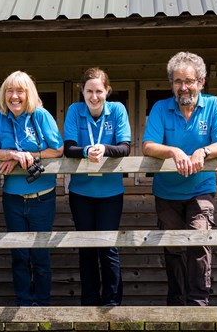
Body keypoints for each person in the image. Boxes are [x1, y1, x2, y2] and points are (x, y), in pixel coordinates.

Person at [142, 52, 217, 306]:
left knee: (199, 242)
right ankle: (177, 304)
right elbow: (148, 145)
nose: (184, 87)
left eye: (189, 81)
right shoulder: (161, 108)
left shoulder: (214, 105)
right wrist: (173, 151)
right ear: (172, 84)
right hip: (167, 191)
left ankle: (198, 304)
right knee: (173, 247)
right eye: (178, 81)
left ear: (201, 82)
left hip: (200, 189)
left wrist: (203, 151)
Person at [0, 71, 64, 306]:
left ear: (29, 93)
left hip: (42, 197)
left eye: (20, 91)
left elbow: (57, 150)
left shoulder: (40, 115)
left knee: (40, 254)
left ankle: (42, 304)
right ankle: (23, 302)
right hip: (13, 199)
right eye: (9, 91)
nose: (14, 96)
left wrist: (29, 156)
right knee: (19, 254)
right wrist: (11, 154)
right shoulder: (2, 117)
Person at [63, 68, 131, 306]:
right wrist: (85, 151)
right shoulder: (74, 110)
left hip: (110, 192)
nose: (94, 97)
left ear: (107, 91)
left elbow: (125, 147)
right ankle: (89, 302)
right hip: (81, 192)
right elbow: (68, 148)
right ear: (82, 91)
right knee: (87, 248)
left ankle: (112, 302)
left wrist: (103, 148)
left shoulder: (118, 110)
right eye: (89, 91)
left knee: (108, 248)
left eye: (99, 91)